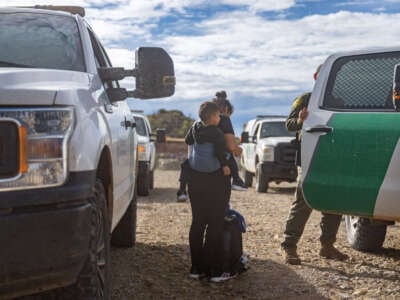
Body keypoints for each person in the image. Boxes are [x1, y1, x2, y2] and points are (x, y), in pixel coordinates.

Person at [280, 65, 349, 265]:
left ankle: (327, 246)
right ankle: (289, 245)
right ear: (316, 77)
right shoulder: (306, 99)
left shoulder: (339, 102)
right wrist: (301, 120)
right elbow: (289, 124)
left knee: (334, 202)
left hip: (331, 158)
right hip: (309, 157)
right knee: (303, 202)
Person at [185, 101, 236, 282]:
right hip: (216, 180)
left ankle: (196, 268)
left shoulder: (194, 128)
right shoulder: (219, 130)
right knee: (215, 223)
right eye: (218, 115)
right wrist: (229, 161)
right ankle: (214, 270)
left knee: (198, 222)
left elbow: (188, 144)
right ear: (215, 115)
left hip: (195, 180)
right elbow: (228, 149)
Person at [212, 93, 247, 191]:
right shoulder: (224, 119)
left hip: (199, 158)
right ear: (226, 109)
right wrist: (238, 149)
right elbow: (231, 146)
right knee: (231, 152)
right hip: (218, 158)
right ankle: (236, 179)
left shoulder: (201, 120)